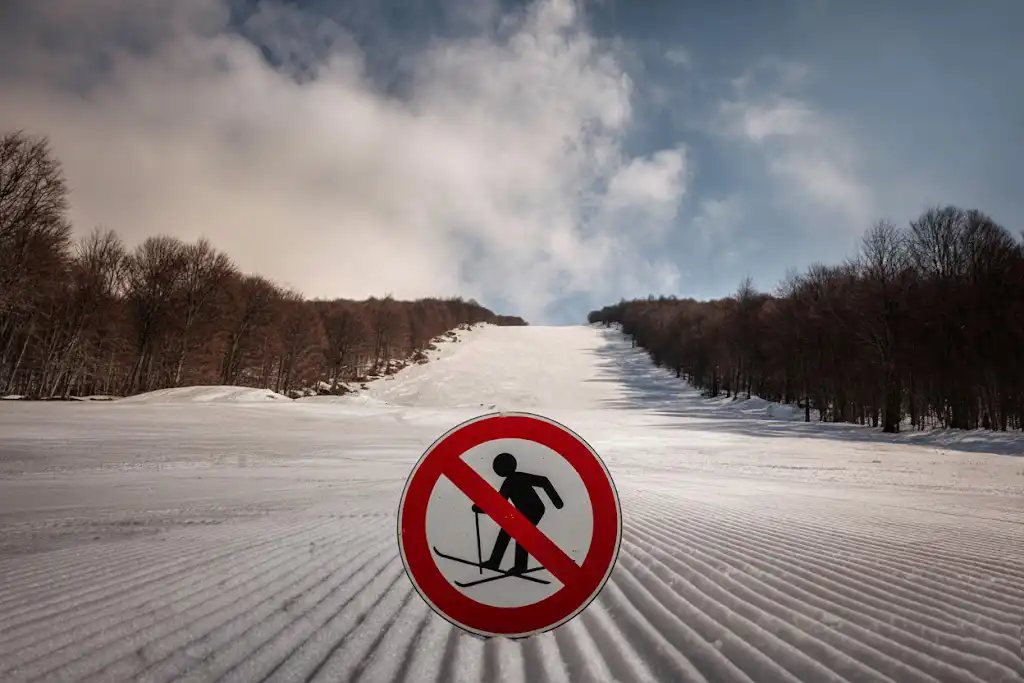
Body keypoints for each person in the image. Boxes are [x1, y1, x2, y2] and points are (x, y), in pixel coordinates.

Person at [471, 452, 563, 574]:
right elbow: (499, 503)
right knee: (506, 531)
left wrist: (557, 502)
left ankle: (519, 566)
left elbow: (543, 481)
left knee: (521, 535)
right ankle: (495, 562)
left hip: (534, 510)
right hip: (525, 511)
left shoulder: (515, 479)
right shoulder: (511, 481)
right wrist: (481, 508)